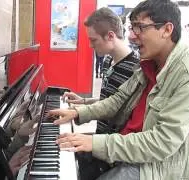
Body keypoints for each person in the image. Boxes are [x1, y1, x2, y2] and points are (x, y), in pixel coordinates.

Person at [49, 0, 189, 179]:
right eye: (132, 27)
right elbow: (117, 99)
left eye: (139, 28)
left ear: (167, 30)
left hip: (154, 167)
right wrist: (78, 112)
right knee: (66, 150)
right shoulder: (147, 65)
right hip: (127, 146)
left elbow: (162, 141)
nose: (131, 36)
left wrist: (96, 142)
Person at [62, 7, 139, 180]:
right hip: (99, 140)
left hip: (113, 152)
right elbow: (110, 99)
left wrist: (77, 112)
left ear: (110, 36)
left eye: (93, 40)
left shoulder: (136, 69)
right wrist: (84, 101)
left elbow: (116, 107)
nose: (90, 45)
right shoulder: (108, 61)